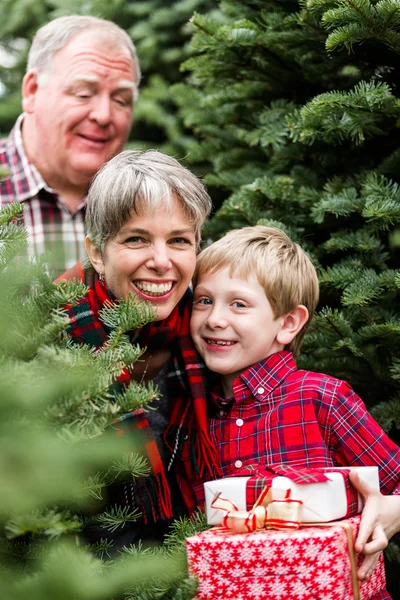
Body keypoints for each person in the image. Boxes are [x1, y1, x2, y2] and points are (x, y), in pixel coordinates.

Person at [186, 225, 400, 596]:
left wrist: (392, 512)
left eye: (238, 304)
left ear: (288, 324)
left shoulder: (321, 398)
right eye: (204, 300)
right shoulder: (196, 416)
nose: (214, 318)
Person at [58, 149, 221, 551]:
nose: (162, 261)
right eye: (137, 239)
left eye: (179, 240)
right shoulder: (54, 334)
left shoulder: (212, 328)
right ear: (97, 251)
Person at [0, 15, 140, 277]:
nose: (104, 115)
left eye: (121, 100)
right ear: (32, 91)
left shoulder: (145, 201)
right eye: (83, 94)